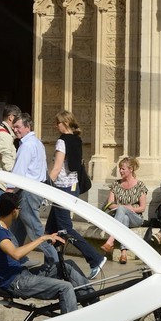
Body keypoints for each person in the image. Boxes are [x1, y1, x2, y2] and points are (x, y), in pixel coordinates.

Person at [0, 190, 84, 316]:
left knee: (68, 266)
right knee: (65, 287)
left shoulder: (4, 229)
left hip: (23, 274)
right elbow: (16, 254)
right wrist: (42, 238)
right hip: (17, 282)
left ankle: (92, 304)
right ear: (14, 211)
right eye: (19, 208)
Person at [46, 111, 106, 277]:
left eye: (57, 122)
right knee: (50, 231)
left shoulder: (62, 141)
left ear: (64, 123)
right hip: (73, 187)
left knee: (66, 229)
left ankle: (95, 258)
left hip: (62, 189)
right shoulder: (77, 140)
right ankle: (52, 268)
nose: (55, 125)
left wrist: (45, 187)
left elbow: (57, 168)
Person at [11, 111, 58, 267]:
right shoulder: (38, 143)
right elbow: (43, 169)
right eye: (14, 127)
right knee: (17, 228)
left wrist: (9, 192)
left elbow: (19, 173)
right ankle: (13, 259)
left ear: (27, 127)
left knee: (35, 231)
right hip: (35, 189)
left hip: (28, 192)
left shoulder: (26, 146)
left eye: (18, 127)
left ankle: (55, 263)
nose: (15, 130)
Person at [102, 156, 148, 262]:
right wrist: (122, 208)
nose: (120, 171)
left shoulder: (140, 185)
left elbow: (142, 208)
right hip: (120, 217)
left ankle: (110, 240)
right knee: (125, 218)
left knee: (124, 211)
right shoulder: (116, 185)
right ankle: (123, 253)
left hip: (136, 217)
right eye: (120, 169)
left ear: (130, 169)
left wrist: (129, 208)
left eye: (123, 169)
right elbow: (110, 204)